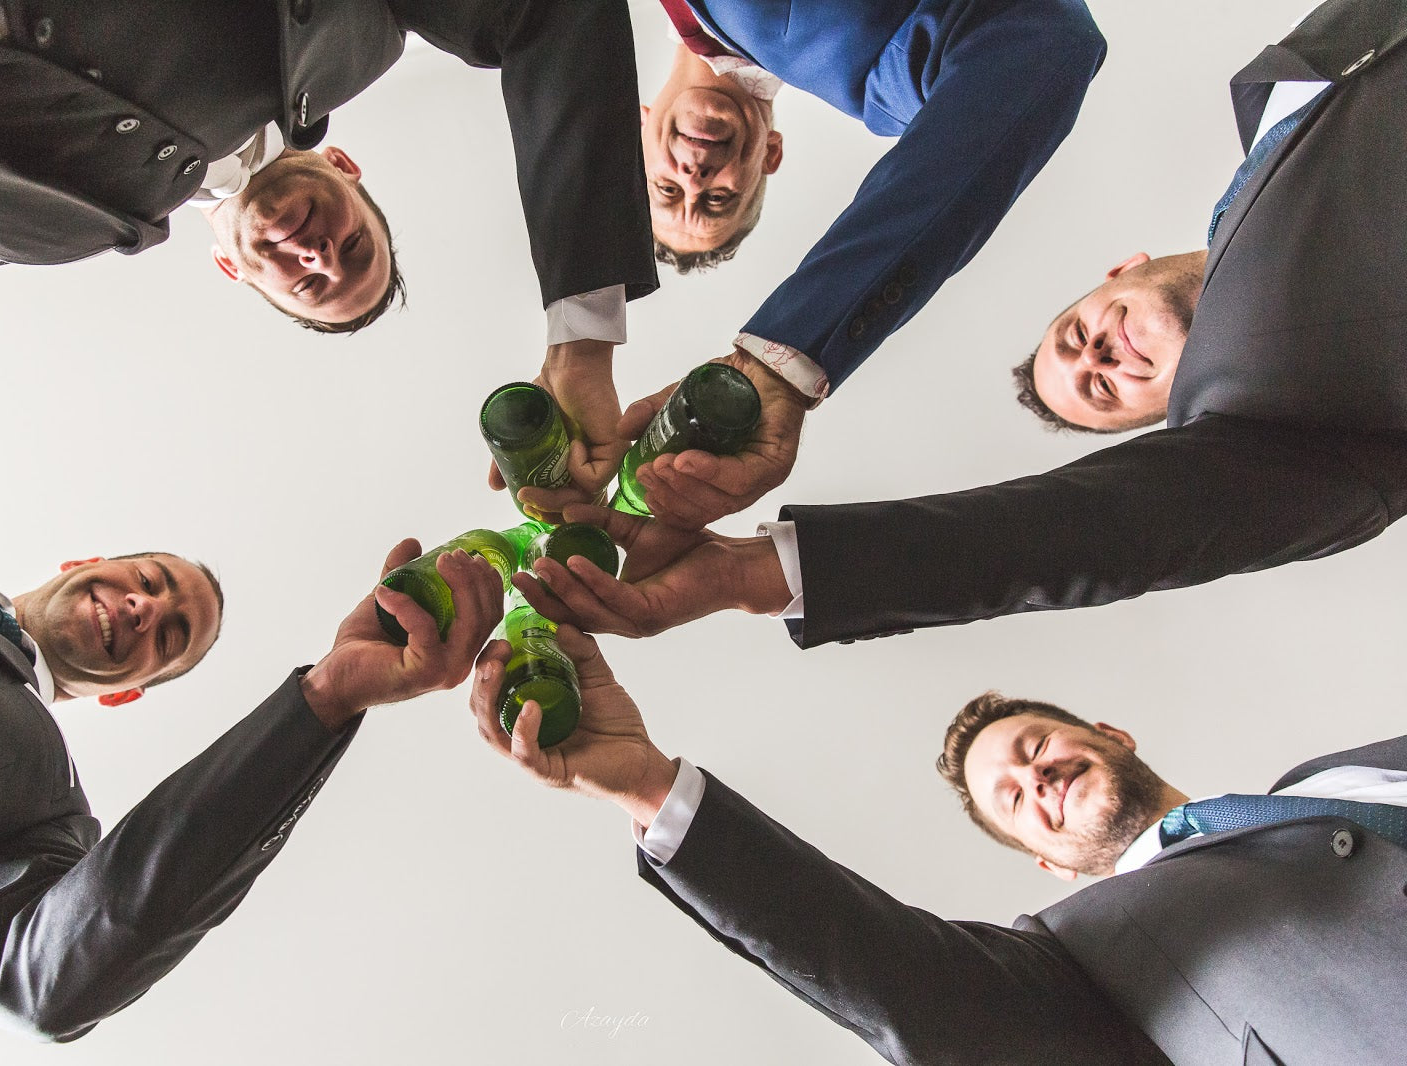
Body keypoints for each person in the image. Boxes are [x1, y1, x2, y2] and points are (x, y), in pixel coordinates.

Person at [510, 0, 1407, 649]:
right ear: (1170, 428)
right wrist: (761, 568)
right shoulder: (1284, 433)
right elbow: (1093, 534)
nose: (1095, 351)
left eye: (1071, 339)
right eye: (1100, 387)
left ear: (1120, 268)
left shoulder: (1276, 100)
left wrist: (582, 327)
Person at [0, 0, 656, 489]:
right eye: (355, 249)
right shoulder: (355, 32)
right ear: (347, 167)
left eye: (312, 285)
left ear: (232, 269)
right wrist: (584, 340)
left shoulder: (45, 229)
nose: (320, 258)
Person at [473, 631, 1407, 1064]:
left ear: (1114, 735)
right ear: (1046, 863)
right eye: (1013, 797)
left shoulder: (1335, 777)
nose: (1035, 778)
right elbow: (898, 980)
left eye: (1037, 747)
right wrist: (648, 784)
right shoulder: (1082, 955)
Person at [0, 462, 505, 1040]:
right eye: (147, 580)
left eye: (168, 639)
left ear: (124, 694)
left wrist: (323, 698)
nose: (145, 609)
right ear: (84, 564)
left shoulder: (35, 809)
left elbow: (47, 981)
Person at [549, 0, 1103, 531]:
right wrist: (784, 362)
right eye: (718, 200)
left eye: (666, 188)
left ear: (636, 129)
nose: (694, 182)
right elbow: (1047, 43)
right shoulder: (890, 76)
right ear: (769, 155)